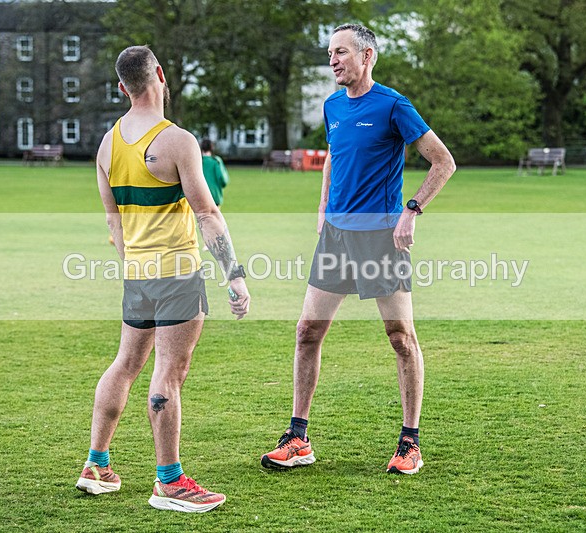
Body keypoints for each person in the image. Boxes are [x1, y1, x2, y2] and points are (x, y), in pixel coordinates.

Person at [261, 23, 455, 475]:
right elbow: (333, 154)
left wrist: (412, 209)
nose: (333, 60)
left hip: (381, 238)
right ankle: (299, 438)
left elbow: (443, 161)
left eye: (341, 52)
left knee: (401, 338)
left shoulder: (393, 105)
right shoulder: (332, 106)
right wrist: (323, 205)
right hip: (336, 238)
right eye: (330, 53)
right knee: (307, 331)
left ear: (366, 56)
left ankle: (410, 443)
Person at [76, 45, 250, 513]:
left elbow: (113, 225)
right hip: (176, 274)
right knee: (169, 373)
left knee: (125, 364)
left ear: (121, 87)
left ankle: (97, 465)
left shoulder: (107, 145)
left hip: (137, 276)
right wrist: (234, 275)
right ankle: (169, 482)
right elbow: (208, 214)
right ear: (160, 74)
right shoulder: (177, 141)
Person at [200, 138, 230, 208]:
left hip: (199, 195)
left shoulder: (197, 161)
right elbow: (223, 180)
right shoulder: (216, 161)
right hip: (214, 195)